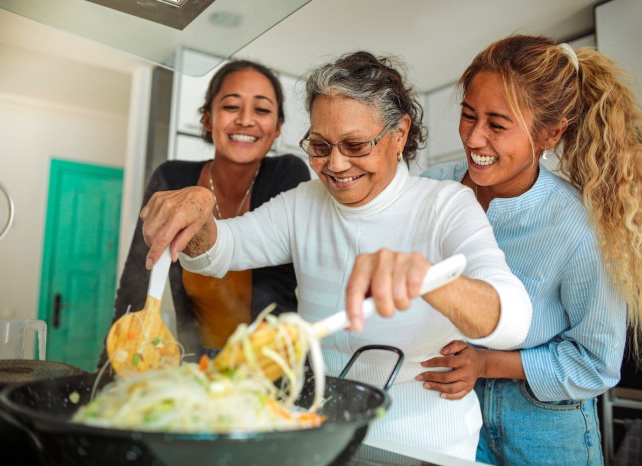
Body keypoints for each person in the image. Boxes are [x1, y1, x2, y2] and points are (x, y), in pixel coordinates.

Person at [138, 50, 533, 462]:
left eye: (356, 144)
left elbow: (514, 320)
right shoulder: (304, 203)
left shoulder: (446, 205)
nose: (336, 165)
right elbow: (219, 253)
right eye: (321, 146)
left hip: (422, 440)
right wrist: (200, 211)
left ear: (399, 134)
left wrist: (430, 278)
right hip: (321, 429)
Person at [420, 34, 642, 465]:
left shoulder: (576, 227)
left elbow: (596, 364)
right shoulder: (432, 187)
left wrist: (485, 363)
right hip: (450, 410)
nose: (475, 138)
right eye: (468, 115)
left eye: (497, 125)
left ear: (550, 134)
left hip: (545, 425)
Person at [104, 59, 311, 363]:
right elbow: (139, 276)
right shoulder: (172, 178)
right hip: (194, 358)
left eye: (262, 110)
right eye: (230, 106)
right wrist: (111, 367)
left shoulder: (287, 172)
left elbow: (281, 286)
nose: (245, 119)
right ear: (207, 119)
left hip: (267, 360)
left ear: (277, 127)